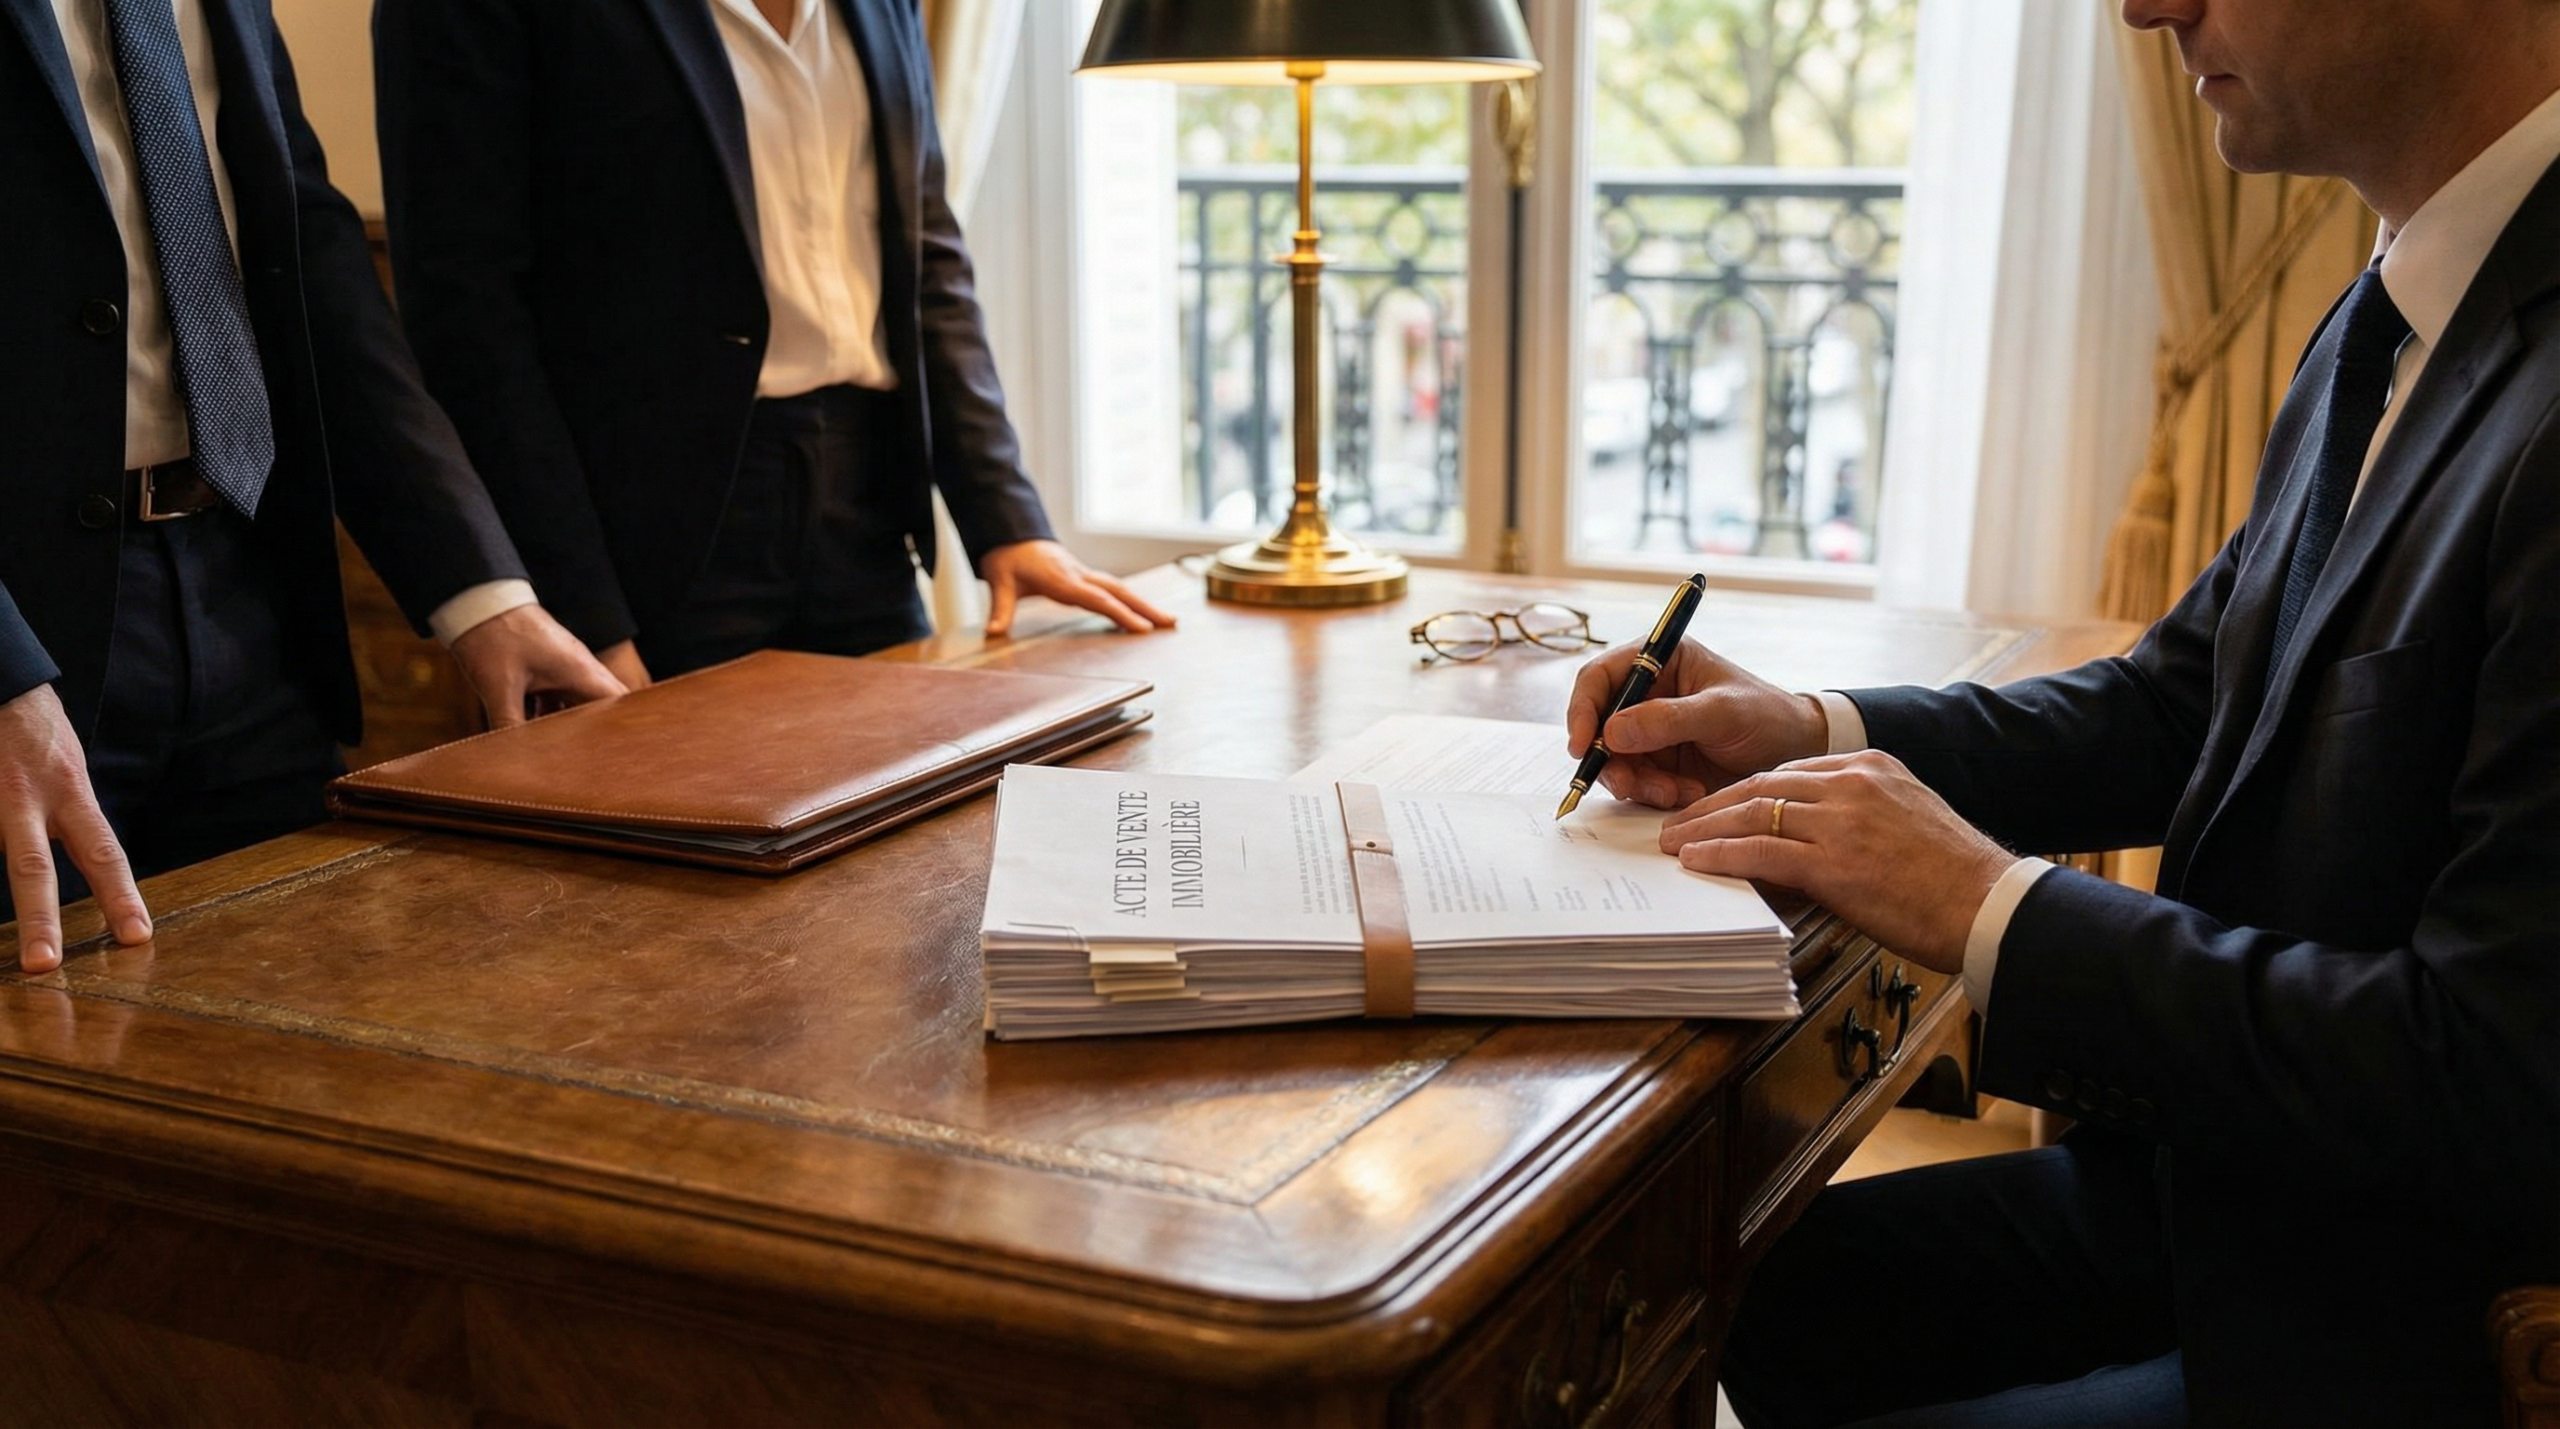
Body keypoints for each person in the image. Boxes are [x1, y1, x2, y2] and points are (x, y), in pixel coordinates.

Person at [1566, 0, 2560, 1421]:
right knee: (1665, 1310)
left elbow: (2487, 1073)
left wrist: (1988, 904)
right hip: (2232, 1201)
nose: (2148, 7)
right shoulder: (2402, 302)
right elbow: (2179, 703)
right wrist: (1808, 729)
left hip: (2407, 1320)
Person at [2, 0, 624, 973]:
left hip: (247, 597)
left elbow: (310, 256)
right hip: (25, 646)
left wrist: (483, 596)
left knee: (289, 1015)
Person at [371, 0, 1173, 688]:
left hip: (865, 514)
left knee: (913, 810)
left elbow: (924, 253)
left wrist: (1007, 519)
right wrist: (580, 610)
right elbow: (467, 318)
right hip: (638, 545)